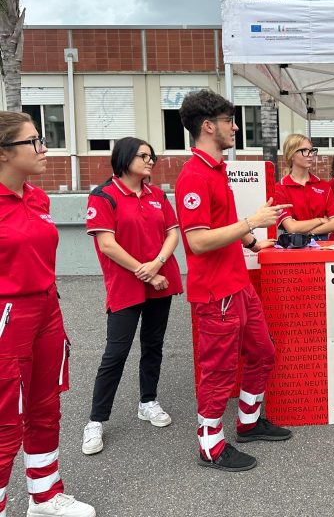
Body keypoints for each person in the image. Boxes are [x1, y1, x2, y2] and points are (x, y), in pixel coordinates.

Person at [175, 90, 293, 472]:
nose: (235, 127)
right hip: (216, 293)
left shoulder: (215, 169)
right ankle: (210, 446)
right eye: (229, 120)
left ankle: (247, 422)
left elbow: (221, 221)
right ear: (209, 127)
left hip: (237, 286)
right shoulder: (193, 175)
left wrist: (252, 241)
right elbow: (197, 240)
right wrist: (251, 223)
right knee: (218, 372)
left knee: (263, 353)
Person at [0, 111, 95, 516]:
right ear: (4, 152)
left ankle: (44, 497)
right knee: (5, 421)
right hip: (8, 316)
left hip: (46, 309)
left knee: (45, 407)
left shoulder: (36, 196)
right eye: (34, 142)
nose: (45, 148)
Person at [81, 137, 183, 457]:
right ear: (125, 158)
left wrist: (157, 264)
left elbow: (173, 232)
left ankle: (147, 402)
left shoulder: (157, 194)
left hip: (160, 280)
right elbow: (107, 245)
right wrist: (147, 272)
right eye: (144, 156)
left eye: (152, 156)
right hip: (127, 286)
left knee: (153, 345)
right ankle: (96, 421)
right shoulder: (103, 196)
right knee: (116, 353)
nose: (150, 161)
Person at [274, 134, 334, 239]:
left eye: (311, 150)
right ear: (291, 155)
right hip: (294, 249)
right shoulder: (280, 188)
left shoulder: (324, 186)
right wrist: (319, 220)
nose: (310, 155)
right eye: (304, 151)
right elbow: (291, 227)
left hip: (321, 248)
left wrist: (306, 231)